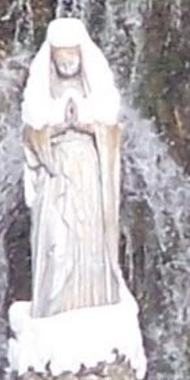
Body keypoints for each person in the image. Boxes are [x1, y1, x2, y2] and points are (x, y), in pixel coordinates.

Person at [20, 18, 125, 318]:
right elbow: (30, 134)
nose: (67, 64)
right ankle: (55, 307)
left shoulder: (100, 94)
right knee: (57, 240)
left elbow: (113, 131)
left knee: (89, 237)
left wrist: (84, 124)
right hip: (56, 176)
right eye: (61, 59)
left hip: (90, 173)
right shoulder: (39, 94)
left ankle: (93, 300)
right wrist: (54, 130)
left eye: (72, 58)